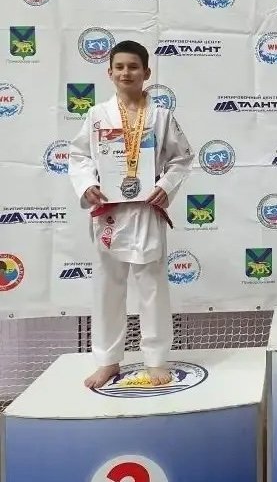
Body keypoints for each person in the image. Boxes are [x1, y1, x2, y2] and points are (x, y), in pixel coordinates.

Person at [69, 40, 193, 388]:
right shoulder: (97, 115)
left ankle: (155, 359)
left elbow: (182, 158)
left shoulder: (161, 116)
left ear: (146, 72)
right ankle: (107, 361)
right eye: (120, 67)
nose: (127, 72)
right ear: (109, 72)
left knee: (152, 286)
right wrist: (87, 185)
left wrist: (166, 185)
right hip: (109, 212)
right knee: (107, 287)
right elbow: (78, 157)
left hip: (146, 209)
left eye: (133, 67)